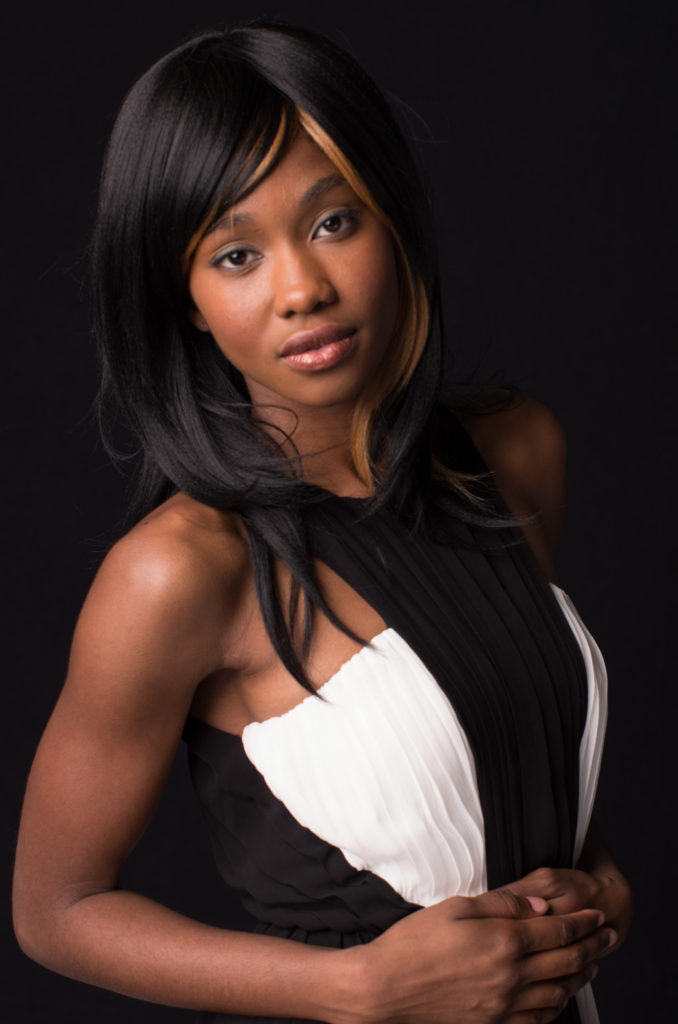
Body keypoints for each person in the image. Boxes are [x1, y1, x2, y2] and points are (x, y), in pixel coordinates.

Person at [12, 21, 633, 1024]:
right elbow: (55, 909)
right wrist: (358, 987)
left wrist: (600, 886)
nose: (302, 288)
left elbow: (504, 746)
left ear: (393, 219)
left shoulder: (514, 454)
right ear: (189, 303)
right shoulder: (178, 572)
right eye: (237, 253)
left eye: (334, 221)